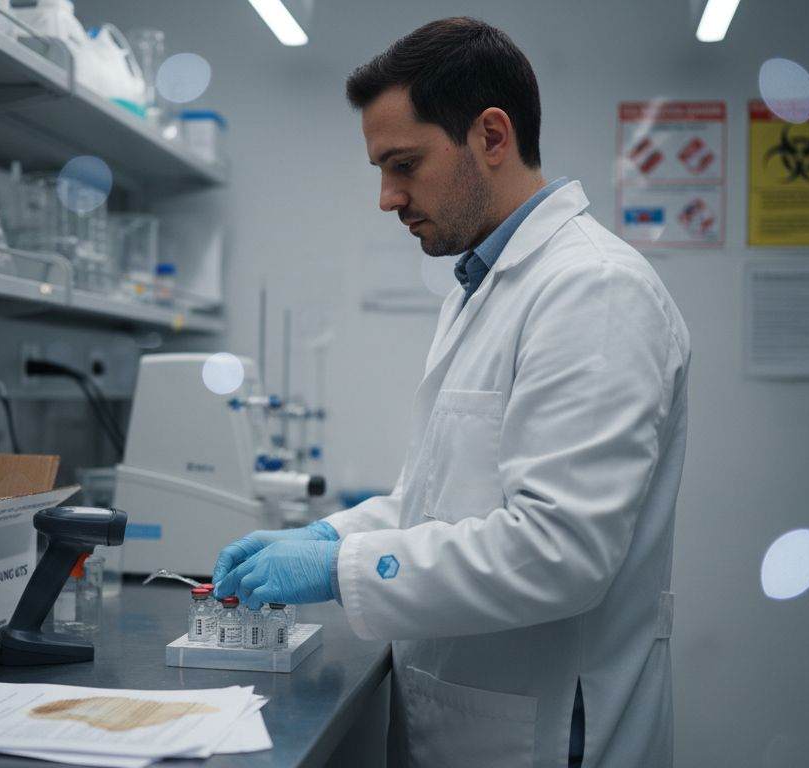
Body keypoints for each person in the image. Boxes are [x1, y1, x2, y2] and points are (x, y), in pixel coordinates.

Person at [213, 17, 690, 768]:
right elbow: (441, 500)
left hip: (546, 731)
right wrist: (335, 534)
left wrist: (340, 572)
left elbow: (559, 551)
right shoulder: (482, 286)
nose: (387, 196)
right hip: (474, 715)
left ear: (491, 137)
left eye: (403, 163)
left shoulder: (593, 290)